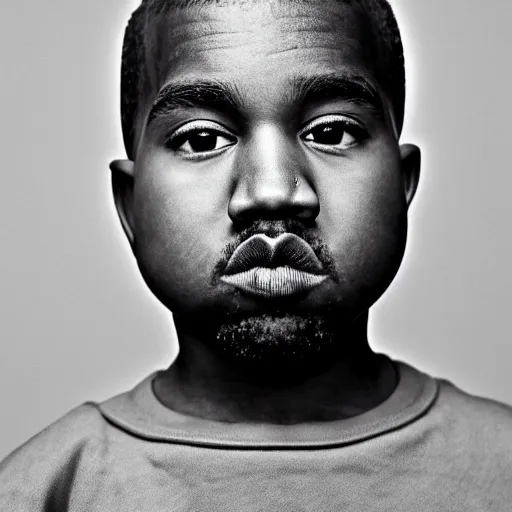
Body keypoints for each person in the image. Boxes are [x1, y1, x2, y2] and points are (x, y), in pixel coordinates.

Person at [1, 0, 511, 509]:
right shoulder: (44, 489)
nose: (271, 191)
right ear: (130, 207)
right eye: (202, 138)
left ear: (402, 187)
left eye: (331, 132)